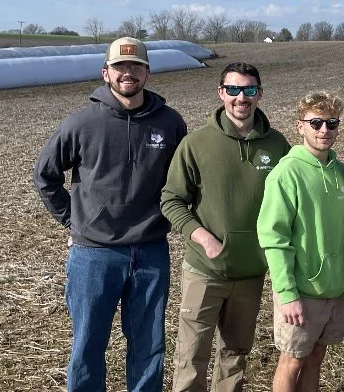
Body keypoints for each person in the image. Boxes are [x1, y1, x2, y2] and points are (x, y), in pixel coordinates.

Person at [32, 37, 187, 391]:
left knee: (149, 346)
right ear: (106, 73)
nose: (127, 73)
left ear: (147, 72)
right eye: (120, 67)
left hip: (150, 250)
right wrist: (73, 220)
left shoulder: (170, 123)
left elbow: (183, 181)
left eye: (136, 67)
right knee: (88, 344)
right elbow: (46, 176)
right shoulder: (81, 123)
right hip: (93, 254)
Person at [160, 62, 290, 391]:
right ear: (221, 93)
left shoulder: (278, 146)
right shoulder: (196, 143)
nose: (240, 97)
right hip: (205, 269)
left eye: (248, 90)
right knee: (192, 354)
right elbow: (171, 200)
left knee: (235, 353)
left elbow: (291, 204)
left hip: (250, 272)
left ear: (259, 93)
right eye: (233, 89)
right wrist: (203, 238)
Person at [256, 91, 344, 392]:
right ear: (299, 126)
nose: (324, 130)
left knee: (316, 356)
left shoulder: (342, 173)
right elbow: (274, 238)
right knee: (292, 361)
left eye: (331, 123)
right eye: (316, 123)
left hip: (336, 289)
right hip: (301, 292)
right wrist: (286, 293)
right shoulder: (286, 173)